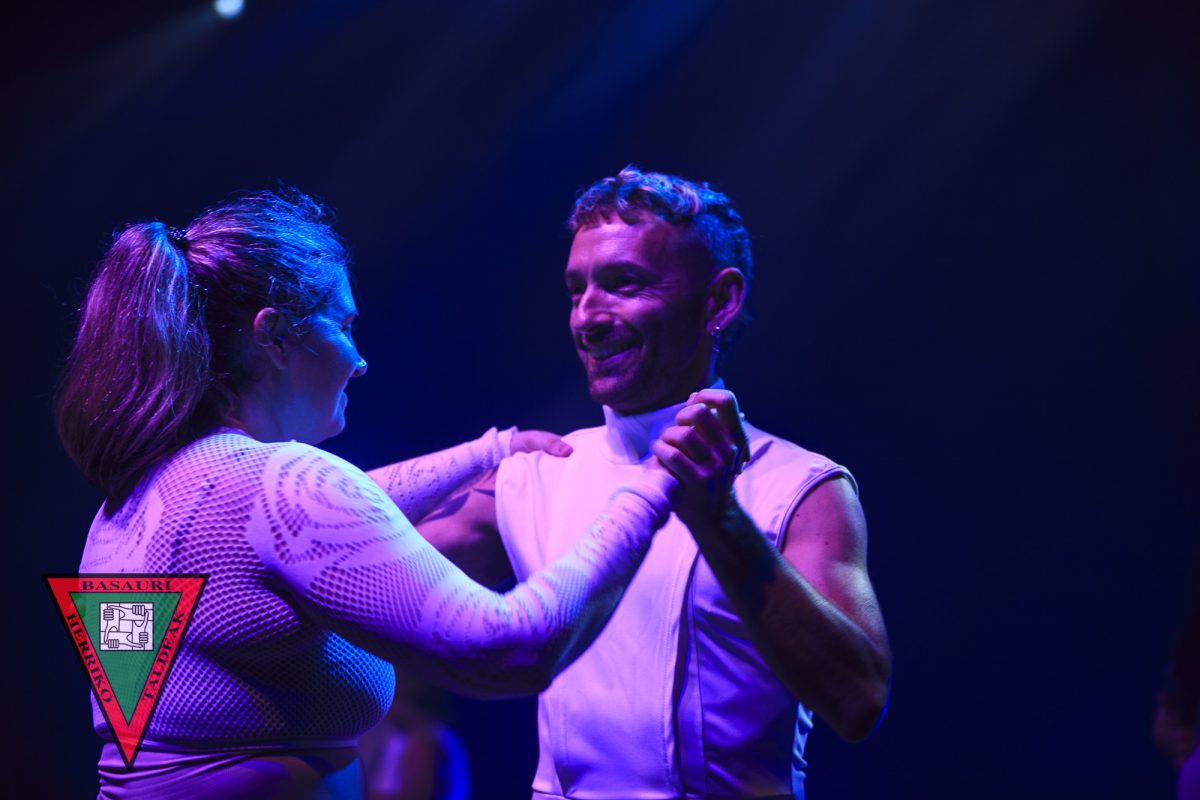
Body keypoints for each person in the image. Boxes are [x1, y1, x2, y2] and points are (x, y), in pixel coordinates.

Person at [55, 187, 721, 798]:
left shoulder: (133, 503)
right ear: (275, 336)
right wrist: (653, 486)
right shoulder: (284, 483)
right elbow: (507, 649)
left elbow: (324, 524)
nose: (359, 358)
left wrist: (488, 451)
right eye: (342, 326)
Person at [418, 166, 893, 799]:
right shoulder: (535, 475)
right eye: (576, 290)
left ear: (719, 301)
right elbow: (344, 567)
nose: (587, 318)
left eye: (624, 284)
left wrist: (719, 520)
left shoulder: (801, 485)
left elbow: (858, 701)